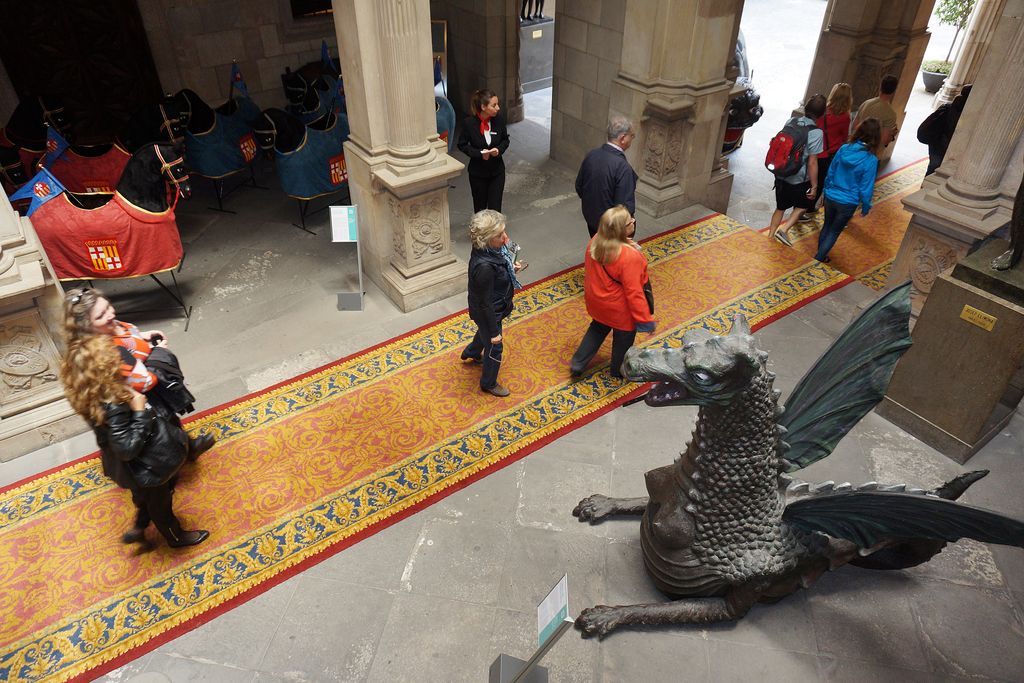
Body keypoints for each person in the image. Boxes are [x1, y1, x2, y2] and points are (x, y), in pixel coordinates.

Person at [60, 294, 209, 548]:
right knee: (160, 497)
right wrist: (141, 411)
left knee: (144, 495)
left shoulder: (83, 366)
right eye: (101, 314)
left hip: (131, 464)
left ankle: (139, 527)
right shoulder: (113, 400)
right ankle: (174, 537)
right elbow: (127, 448)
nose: (110, 315)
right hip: (141, 459)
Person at [71, 286, 213, 457]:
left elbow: (127, 335)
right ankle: (170, 466)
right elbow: (144, 381)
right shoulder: (107, 350)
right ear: (87, 327)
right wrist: (159, 353)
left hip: (148, 390)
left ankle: (187, 446)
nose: (110, 315)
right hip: (138, 401)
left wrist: (142, 337)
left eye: (107, 307)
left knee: (171, 422)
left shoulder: (109, 326)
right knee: (161, 432)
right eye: (100, 316)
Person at [570, 205, 655, 379]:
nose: (633, 221)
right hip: (619, 309)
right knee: (624, 339)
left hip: (597, 300)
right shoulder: (629, 257)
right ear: (622, 229)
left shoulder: (596, 240)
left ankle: (578, 363)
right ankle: (618, 370)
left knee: (598, 327)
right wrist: (645, 320)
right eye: (630, 220)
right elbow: (635, 293)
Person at [463, 209, 525, 397]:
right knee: (494, 347)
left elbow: (497, 272)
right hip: (489, 310)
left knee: (483, 332)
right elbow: (485, 304)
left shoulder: (491, 250)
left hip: (494, 305)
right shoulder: (484, 268)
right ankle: (488, 383)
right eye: (500, 235)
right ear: (488, 239)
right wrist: (494, 333)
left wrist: (510, 269)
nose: (506, 238)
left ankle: (471, 352)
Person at [813, 118, 882, 263]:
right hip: (848, 202)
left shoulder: (844, 149)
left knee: (826, 226)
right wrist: (866, 206)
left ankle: (820, 253)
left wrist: (825, 190)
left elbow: (831, 171)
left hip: (831, 195)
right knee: (834, 231)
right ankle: (819, 257)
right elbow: (866, 187)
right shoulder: (870, 160)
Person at [769, 94, 825, 246]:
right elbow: (812, 162)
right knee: (802, 206)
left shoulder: (791, 121)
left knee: (780, 207)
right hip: (799, 178)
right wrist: (814, 186)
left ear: (806, 108)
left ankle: (770, 236)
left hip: (781, 173)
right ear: (821, 114)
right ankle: (784, 230)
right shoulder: (816, 133)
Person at [575, 116, 638, 238]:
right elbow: (624, 209)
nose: (632, 139)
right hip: (613, 229)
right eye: (632, 136)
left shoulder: (591, 155)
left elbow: (579, 187)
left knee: (597, 252)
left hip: (592, 222)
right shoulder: (623, 168)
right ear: (623, 138)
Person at [457, 89, 510, 212]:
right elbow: (462, 145)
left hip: (497, 172)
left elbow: (505, 140)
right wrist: (479, 154)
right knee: (480, 208)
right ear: (483, 107)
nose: (498, 108)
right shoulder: (469, 124)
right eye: (494, 105)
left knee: (495, 208)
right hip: (478, 174)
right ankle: (481, 231)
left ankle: (497, 231)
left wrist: (498, 149)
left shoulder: (499, 120)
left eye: (497, 104)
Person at [806, 82, 853, 217]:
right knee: (820, 182)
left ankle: (801, 205)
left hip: (814, 149)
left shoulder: (822, 111)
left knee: (809, 178)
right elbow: (844, 137)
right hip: (829, 154)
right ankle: (809, 209)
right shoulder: (845, 117)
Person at [918, 84, 972, 175]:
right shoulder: (968, 115)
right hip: (948, 147)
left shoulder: (948, 107)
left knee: (932, 168)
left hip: (936, 144)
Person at [853, 74, 899, 149]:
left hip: (856, 145)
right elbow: (884, 140)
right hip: (870, 151)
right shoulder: (891, 114)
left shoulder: (866, 103)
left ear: (880, 86)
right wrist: (892, 136)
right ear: (894, 91)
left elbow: (855, 125)